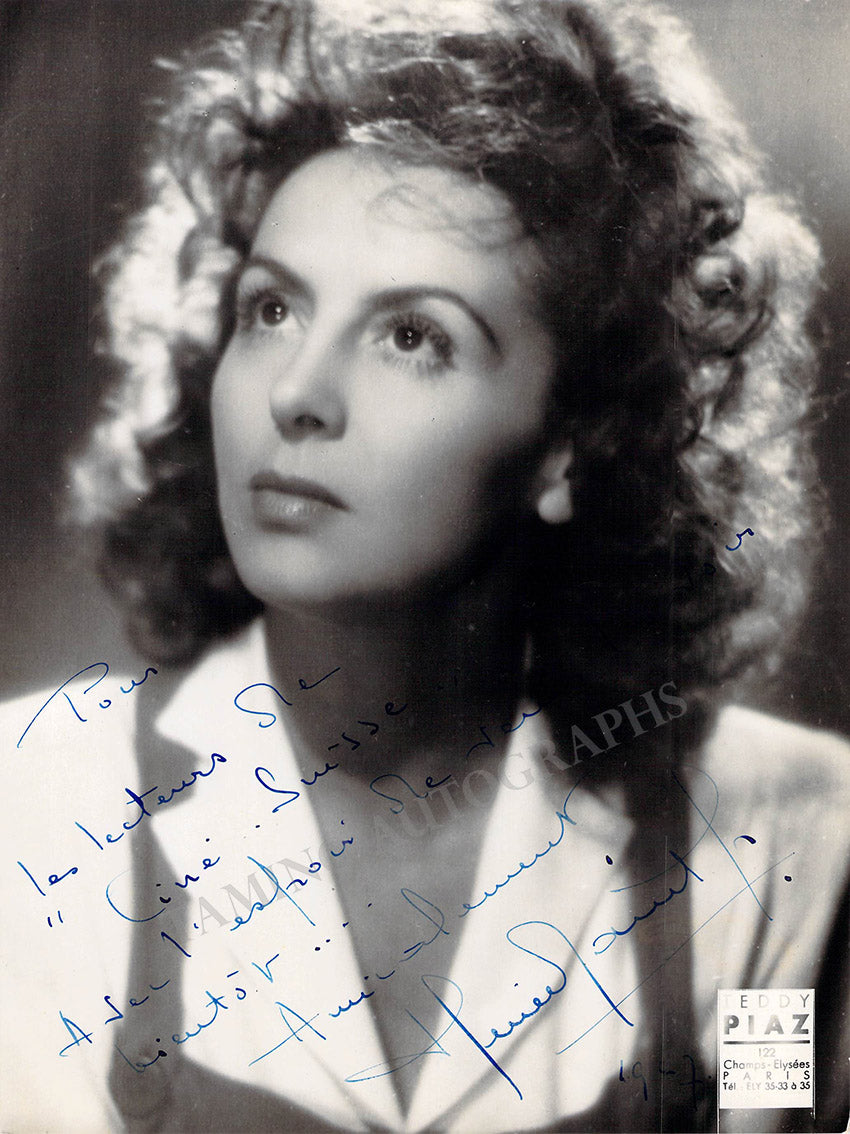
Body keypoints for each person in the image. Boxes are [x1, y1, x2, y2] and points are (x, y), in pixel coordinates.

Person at [2, 1, 848, 1131]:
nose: (298, 393)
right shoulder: (33, 818)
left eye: (412, 336)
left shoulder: (786, 841)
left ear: (572, 440)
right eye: (271, 309)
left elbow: (775, 1115)